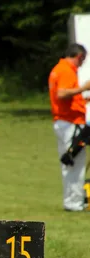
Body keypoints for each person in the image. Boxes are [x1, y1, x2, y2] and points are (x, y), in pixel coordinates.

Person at [48, 43, 90, 212]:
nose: (81, 64)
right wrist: (83, 88)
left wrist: (82, 99)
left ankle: (72, 200)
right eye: (82, 61)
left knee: (71, 161)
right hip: (70, 122)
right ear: (79, 56)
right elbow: (62, 93)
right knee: (75, 162)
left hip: (65, 120)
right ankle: (73, 202)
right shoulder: (66, 70)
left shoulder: (59, 69)